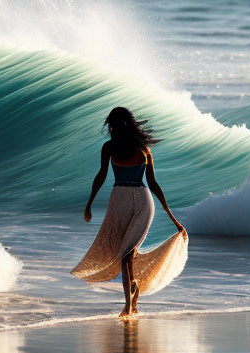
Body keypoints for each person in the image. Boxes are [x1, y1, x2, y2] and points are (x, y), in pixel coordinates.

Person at [71, 107, 187, 317]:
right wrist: (89, 203)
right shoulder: (108, 148)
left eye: (117, 124)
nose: (115, 128)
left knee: (126, 254)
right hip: (119, 202)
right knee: (125, 253)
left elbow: (153, 183)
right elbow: (101, 175)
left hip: (143, 203)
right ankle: (133, 289)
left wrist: (174, 219)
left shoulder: (144, 150)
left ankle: (129, 306)